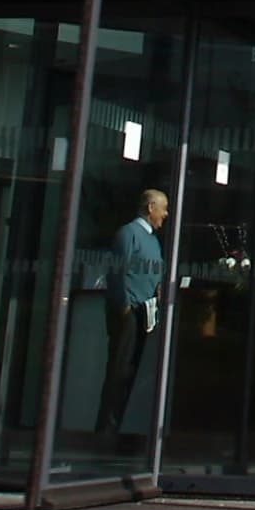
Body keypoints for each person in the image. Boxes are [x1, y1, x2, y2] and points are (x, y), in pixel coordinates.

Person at [95, 187, 168, 438]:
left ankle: (119, 423)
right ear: (150, 208)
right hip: (129, 312)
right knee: (119, 368)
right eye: (163, 208)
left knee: (131, 370)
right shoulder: (129, 234)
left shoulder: (153, 240)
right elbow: (116, 272)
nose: (165, 214)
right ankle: (106, 427)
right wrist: (124, 306)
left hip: (145, 312)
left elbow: (154, 272)